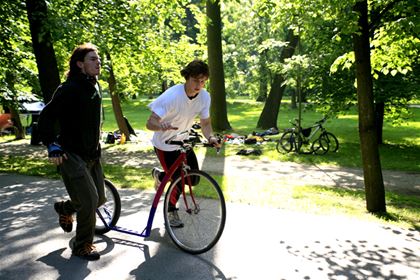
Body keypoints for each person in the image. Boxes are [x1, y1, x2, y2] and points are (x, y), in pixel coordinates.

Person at [38, 43, 105, 261]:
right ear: (79, 64)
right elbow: (46, 118)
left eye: (98, 59)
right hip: (70, 154)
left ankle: (65, 208)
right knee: (88, 202)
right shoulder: (68, 89)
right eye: (93, 59)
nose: (98, 62)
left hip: (92, 153)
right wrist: (52, 145)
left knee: (100, 199)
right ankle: (82, 245)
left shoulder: (94, 86)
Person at [146, 59, 221, 228]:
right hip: (165, 144)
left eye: (203, 81)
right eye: (196, 80)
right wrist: (160, 125)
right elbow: (149, 123)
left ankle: (160, 176)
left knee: (193, 179)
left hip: (183, 142)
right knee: (178, 181)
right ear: (187, 77)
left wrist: (211, 138)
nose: (199, 85)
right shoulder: (172, 96)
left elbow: (206, 124)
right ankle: (171, 211)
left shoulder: (204, 97)